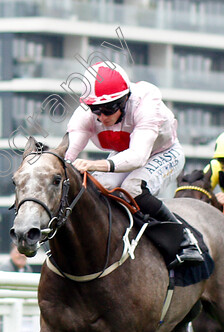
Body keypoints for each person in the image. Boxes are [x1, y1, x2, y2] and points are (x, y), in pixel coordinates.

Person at [65, 61, 203, 269]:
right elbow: (67, 156)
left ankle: (185, 240)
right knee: (99, 189)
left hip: (163, 153)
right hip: (123, 156)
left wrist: (94, 164)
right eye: (96, 110)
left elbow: (138, 156)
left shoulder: (146, 102)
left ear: (124, 100)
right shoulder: (85, 115)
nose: (102, 117)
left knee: (133, 188)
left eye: (108, 108)